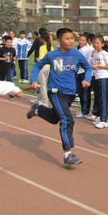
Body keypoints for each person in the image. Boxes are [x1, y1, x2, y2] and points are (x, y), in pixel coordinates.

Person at [27, 28, 92, 166]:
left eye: (71, 39)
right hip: (55, 91)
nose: (70, 41)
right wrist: (33, 80)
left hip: (70, 93)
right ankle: (68, 154)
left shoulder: (76, 54)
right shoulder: (52, 55)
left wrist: (87, 79)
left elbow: (88, 67)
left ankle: (37, 110)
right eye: (67, 38)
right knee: (67, 119)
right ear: (59, 40)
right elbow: (37, 66)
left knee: (54, 118)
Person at [91, 36, 108, 129]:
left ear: (102, 44)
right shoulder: (95, 54)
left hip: (103, 77)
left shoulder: (105, 54)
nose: (95, 45)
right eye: (94, 43)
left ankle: (104, 120)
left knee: (103, 99)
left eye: (97, 43)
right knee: (98, 98)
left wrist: (99, 66)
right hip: (96, 77)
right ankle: (100, 117)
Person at [75, 34, 94, 119]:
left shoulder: (88, 50)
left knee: (85, 93)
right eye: (80, 40)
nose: (80, 42)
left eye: (83, 40)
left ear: (87, 41)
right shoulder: (80, 49)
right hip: (79, 72)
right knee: (81, 92)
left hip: (85, 73)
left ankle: (85, 111)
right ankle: (83, 109)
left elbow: (88, 62)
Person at [36, 31, 54, 106]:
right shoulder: (52, 48)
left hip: (43, 67)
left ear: (43, 39)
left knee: (42, 84)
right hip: (50, 67)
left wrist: (37, 60)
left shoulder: (42, 48)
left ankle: (44, 101)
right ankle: (40, 99)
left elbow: (41, 59)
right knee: (43, 84)